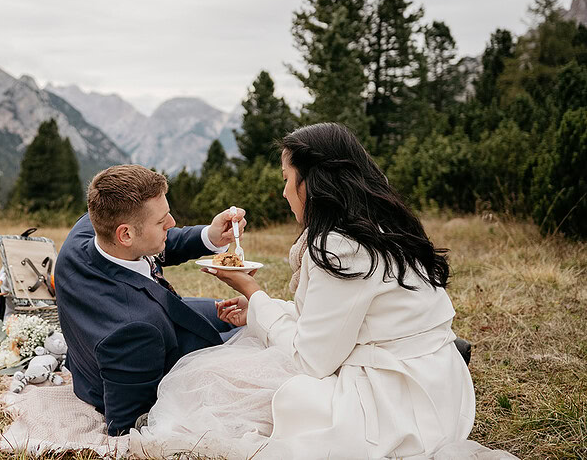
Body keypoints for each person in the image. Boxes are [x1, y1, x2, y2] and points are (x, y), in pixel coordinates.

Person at [134, 123, 478, 459]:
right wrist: (257, 309)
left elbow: (310, 361)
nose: (284, 192)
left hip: (399, 404)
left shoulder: (341, 245)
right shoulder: (375, 222)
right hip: (438, 381)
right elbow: (333, 318)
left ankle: (171, 426)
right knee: (240, 364)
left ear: (312, 183)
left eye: (286, 179)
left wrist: (253, 293)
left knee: (223, 382)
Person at [54, 164, 247, 436]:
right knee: (251, 337)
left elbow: (160, 244)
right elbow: (125, 424)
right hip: (152, 354)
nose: (172, 223)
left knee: (243, 312)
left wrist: (211, 237)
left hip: (154, 312)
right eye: (162, 221)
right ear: (126, 235)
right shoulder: (132, 330)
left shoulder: (90, 231)